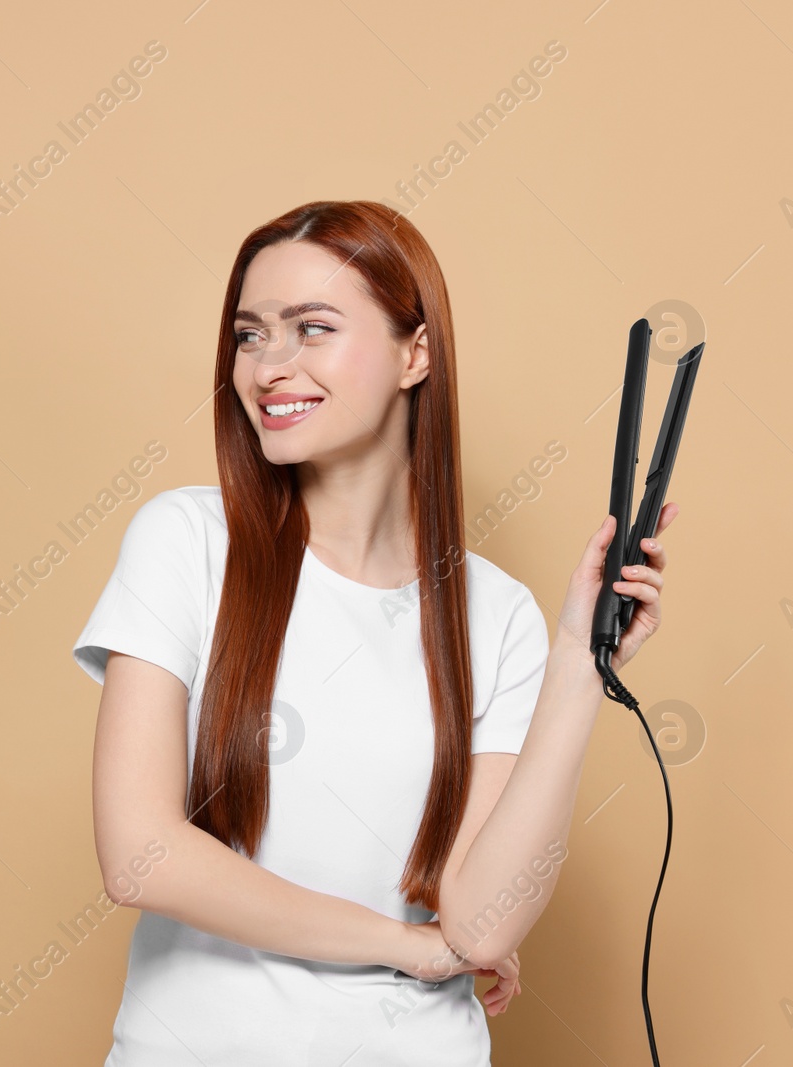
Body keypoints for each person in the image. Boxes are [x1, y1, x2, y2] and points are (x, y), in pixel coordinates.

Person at [71, 200, 674, 1065]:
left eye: (310, 328)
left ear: (415, 352)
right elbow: (139, 855)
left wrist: (581, 668)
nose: (269, 367)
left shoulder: (495, 614)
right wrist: (405, 944)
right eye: (249, 335)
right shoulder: (188, 541)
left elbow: (484, 920)